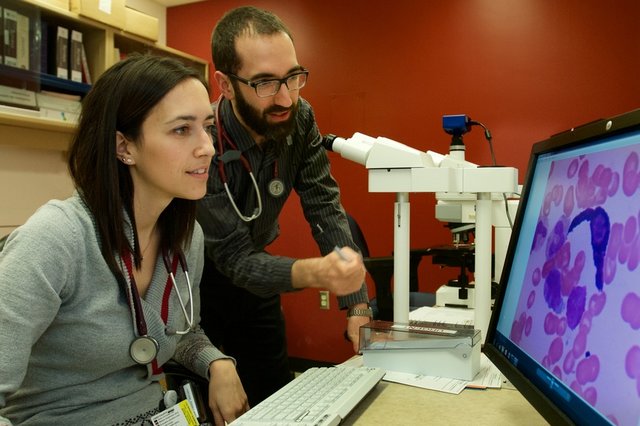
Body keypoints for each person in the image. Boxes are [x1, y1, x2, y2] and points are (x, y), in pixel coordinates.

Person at [0, 54, 248, 425]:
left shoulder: (186, 237)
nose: (207, 147)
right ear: (124, 147)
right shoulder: (54, 239)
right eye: (182, 129)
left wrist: (217, 362)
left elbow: (178, 332)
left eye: (207, 127)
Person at [197, 6, 372, 407]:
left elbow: (323, 204)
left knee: (276, 398)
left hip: (260, 282)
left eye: (293, 77)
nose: (285, 98)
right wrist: (317, 273)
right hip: (197, 291)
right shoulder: (202, 143)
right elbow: (234, 259)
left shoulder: (300, 117)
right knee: (216, 408)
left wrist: (357, 300)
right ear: (225, 84)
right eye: (264, 83)